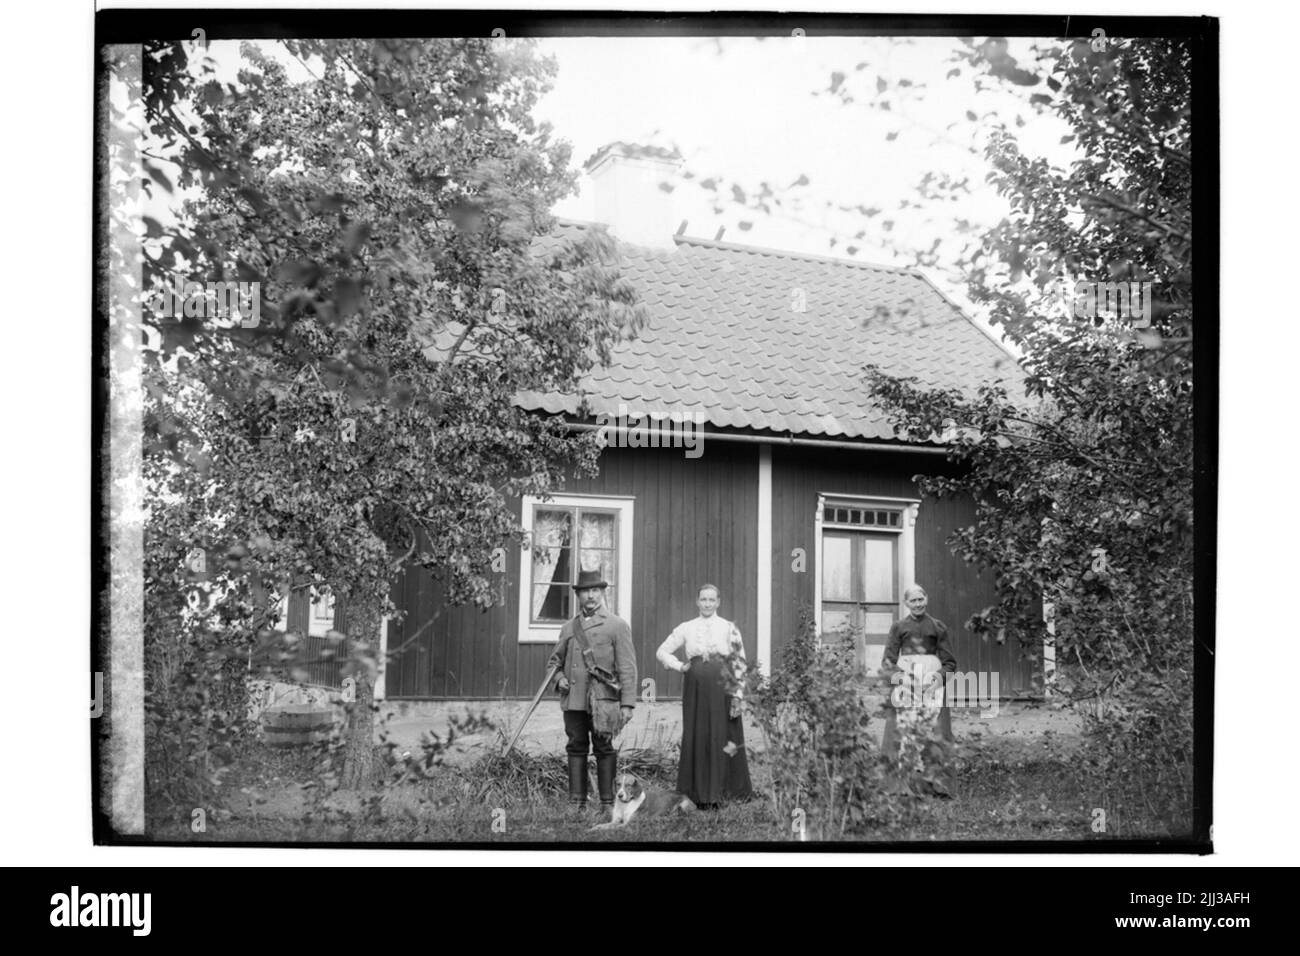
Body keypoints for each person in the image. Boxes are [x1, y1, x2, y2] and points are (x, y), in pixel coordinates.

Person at [547, 569, 637, 811]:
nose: (591, 596)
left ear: (602, 593)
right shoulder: (568, 627)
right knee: (575, 746)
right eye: (586, 591)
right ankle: (576, 802)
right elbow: (554, 661)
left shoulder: (617, 625)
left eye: (595, 590)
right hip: (574, 700)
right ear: (578, 594)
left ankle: (608, 803)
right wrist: (559, 678)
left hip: (604, 701)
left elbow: (627, 667)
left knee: (604, 748)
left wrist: (627, 704)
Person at [656, 583, 753, 807]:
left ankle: (724, 791)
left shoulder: (729, 628)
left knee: (722, 733)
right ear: (697, 601)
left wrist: (738, 695)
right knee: (697, 733)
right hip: (696, 688)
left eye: (712, 600)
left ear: (718, 602)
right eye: (704, 599)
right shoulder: (686, 627)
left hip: (723, 688)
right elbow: (662, 651)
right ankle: (696, 792)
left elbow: (740, 662)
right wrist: (679, 666)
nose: (707, 604)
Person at [879, 584, 957, 795]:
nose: (917, 604)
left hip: (931, 684)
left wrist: (938, 678)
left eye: (920, 599)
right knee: (903, 730)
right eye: (913, 601)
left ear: (926, 599)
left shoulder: (938, 627)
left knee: (935, 730)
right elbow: (888, 661)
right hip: (907, 684)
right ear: (906, 603)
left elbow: (950, 662)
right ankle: (900, 786)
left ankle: (936, 786)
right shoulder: (898, 627)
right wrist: (902, 678)